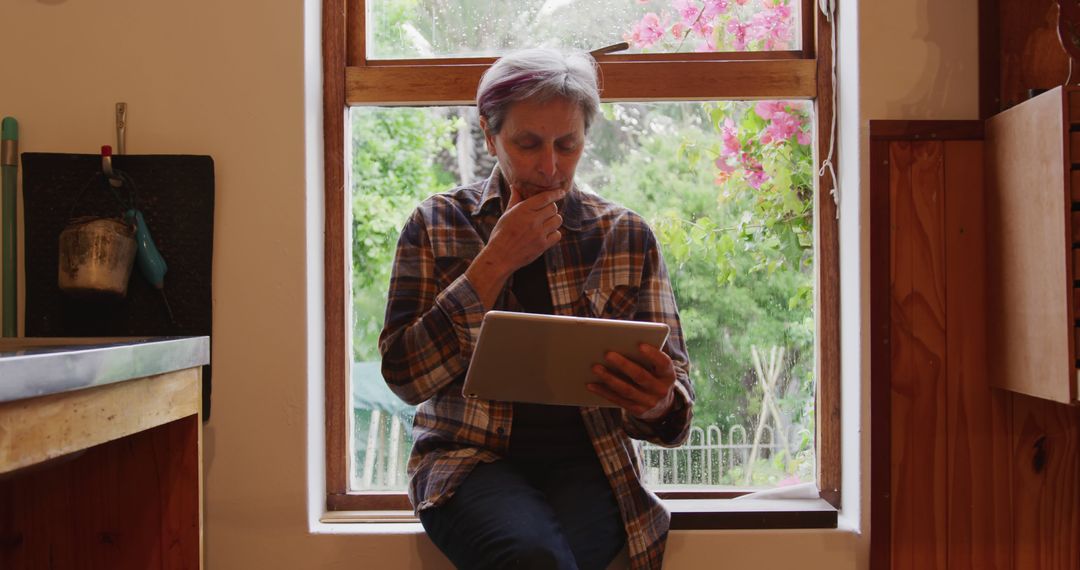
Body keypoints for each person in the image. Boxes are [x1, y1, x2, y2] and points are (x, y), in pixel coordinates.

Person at [379, 47, 694, 570]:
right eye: (528, 144)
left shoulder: (625, 235)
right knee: (533, 557)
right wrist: (494, 262)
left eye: (567, 145)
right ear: (489, 135)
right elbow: (405, 376)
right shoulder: (436, 223)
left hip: (594, 463)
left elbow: (676, 422)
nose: (550, 168)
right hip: (466, 462)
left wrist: (657, 400)